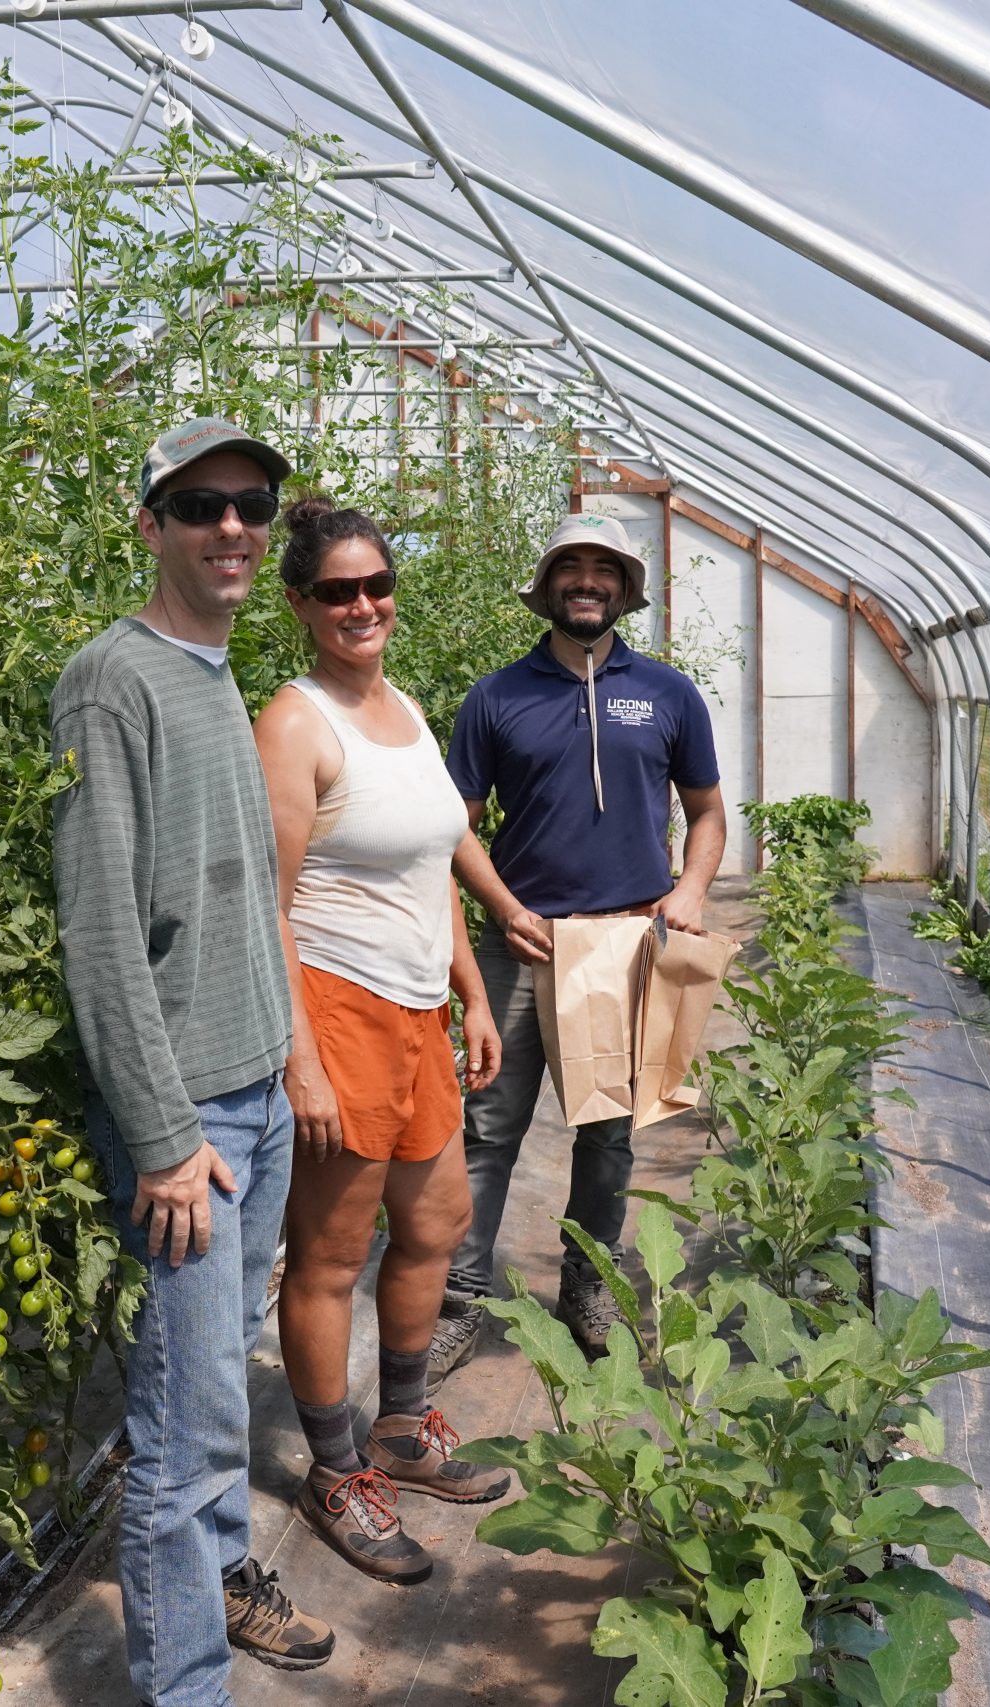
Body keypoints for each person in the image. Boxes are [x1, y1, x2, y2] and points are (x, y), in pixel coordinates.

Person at [52, 417, 335, 1706]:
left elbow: (238, 901)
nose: (233, 526)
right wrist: (166, 1139)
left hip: (253, 1089)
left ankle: (226, 1585)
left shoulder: (215, 672)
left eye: (253, 506)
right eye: (203, 503)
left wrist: (284, 1062)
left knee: (221, 1389)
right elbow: (101, 928)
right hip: (190, 1120)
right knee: (182, 1427)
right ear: (151, 522)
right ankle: (186, 1686)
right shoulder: (111, 680)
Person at [252, 498, 515, 1586]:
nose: (361, 605)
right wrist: (300, 1056)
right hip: (340, 1006)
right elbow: (265, 903)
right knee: (328, 1252)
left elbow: (433, 862)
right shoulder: (296, 722)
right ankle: (333, 1468)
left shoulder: (402, 706)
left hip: (419, 1012)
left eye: (374, 585)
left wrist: (473, 994)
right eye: (335, 591)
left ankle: (402, 1426)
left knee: (439, 1221)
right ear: (300, 604)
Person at [428, 511, 727, 1374]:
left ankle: (589, 1282)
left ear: (624, 588)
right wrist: (504, 905)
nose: (586, 580)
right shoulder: (497, 696)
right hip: (522, 945)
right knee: (487, 1127)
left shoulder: (667, 694)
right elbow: (458, 826)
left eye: (604, 567)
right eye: (571, 566)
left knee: (608, 1133)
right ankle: (460, 1298)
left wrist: (694, 888)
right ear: (547, 586)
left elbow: (706, 813)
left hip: (630, 942)